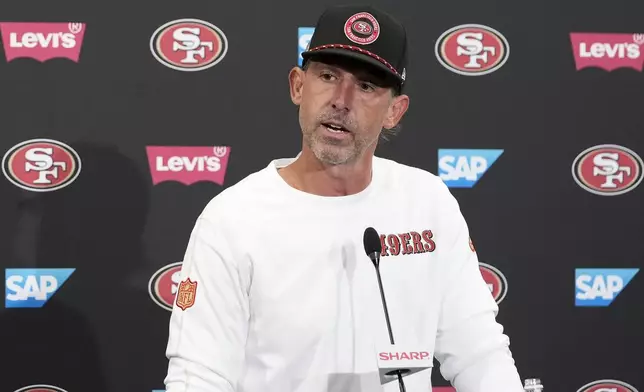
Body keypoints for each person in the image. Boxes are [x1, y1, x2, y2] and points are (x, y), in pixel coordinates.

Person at [163, 4, 524, 392]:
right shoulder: (232, 219)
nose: (342, 99)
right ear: (298, 86)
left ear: (394, 112)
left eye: (367, 86)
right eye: (328, 76)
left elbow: (479, 353)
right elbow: (199, 378)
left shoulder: (428, 202)